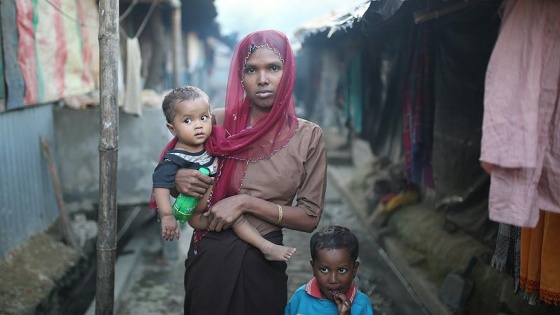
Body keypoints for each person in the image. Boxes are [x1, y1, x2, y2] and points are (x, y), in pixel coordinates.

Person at [170, 30, 328, 314]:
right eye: (252, 69)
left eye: (274, 68)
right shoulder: (215, 121)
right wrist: (178, 179)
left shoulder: (308, 136)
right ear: (240, 77)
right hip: (210, 257)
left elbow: (309, 218)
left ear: (288, 72)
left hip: (264, 260)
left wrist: (245, 202)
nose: (263, 79)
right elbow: (172, 165)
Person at [151, 85, 297, 262]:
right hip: (199, 215)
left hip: (222, 205)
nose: (198, 125)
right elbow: (160, 184)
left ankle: (266, 247)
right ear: (172, 129)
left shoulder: (214, 143)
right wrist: (166, 216)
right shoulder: (175, 158)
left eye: (203, 118)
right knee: (237, 220)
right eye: (188, 121)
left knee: (237, 218)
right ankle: (264, 246)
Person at [285, 225, 375, 315]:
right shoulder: (301, 297)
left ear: (354, 269)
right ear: (313, 268)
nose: (333, 280)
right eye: (324, 270)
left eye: (342, 270)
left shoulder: (361, 305)